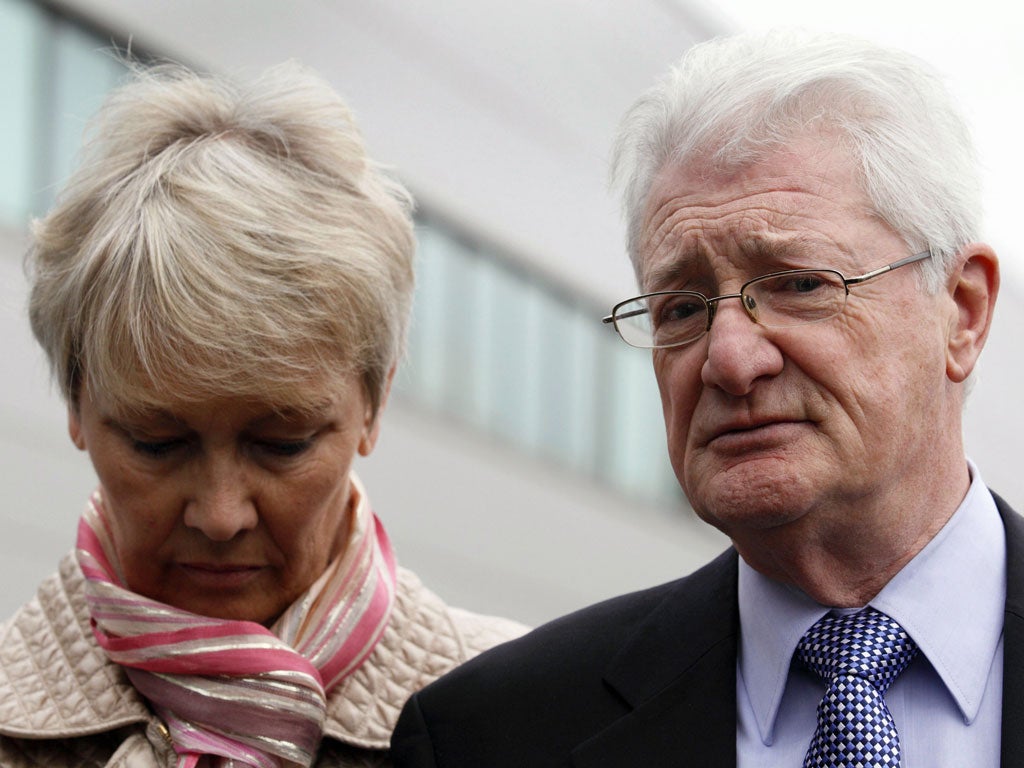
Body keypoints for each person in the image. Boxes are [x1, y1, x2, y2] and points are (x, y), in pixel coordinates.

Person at [390, 29, 1015, 767]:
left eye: (799, 284)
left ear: (962, 311)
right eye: (681, 308)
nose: (727, 359)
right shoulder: (490, 734)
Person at [0, 62, 525, 767]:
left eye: (282, 444)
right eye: (157, 444)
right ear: (74, 400)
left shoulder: (527, 716)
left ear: (375, 402)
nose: (221, 515)